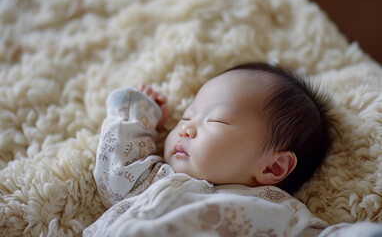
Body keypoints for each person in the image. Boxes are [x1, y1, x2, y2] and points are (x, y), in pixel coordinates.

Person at [83, 63, 382, 237]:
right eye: (187, 116)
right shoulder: (153, 178)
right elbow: (113, 172)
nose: (186, 128)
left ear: (272, 168)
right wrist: (137, 112)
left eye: (216, 120)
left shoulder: (277, 210)